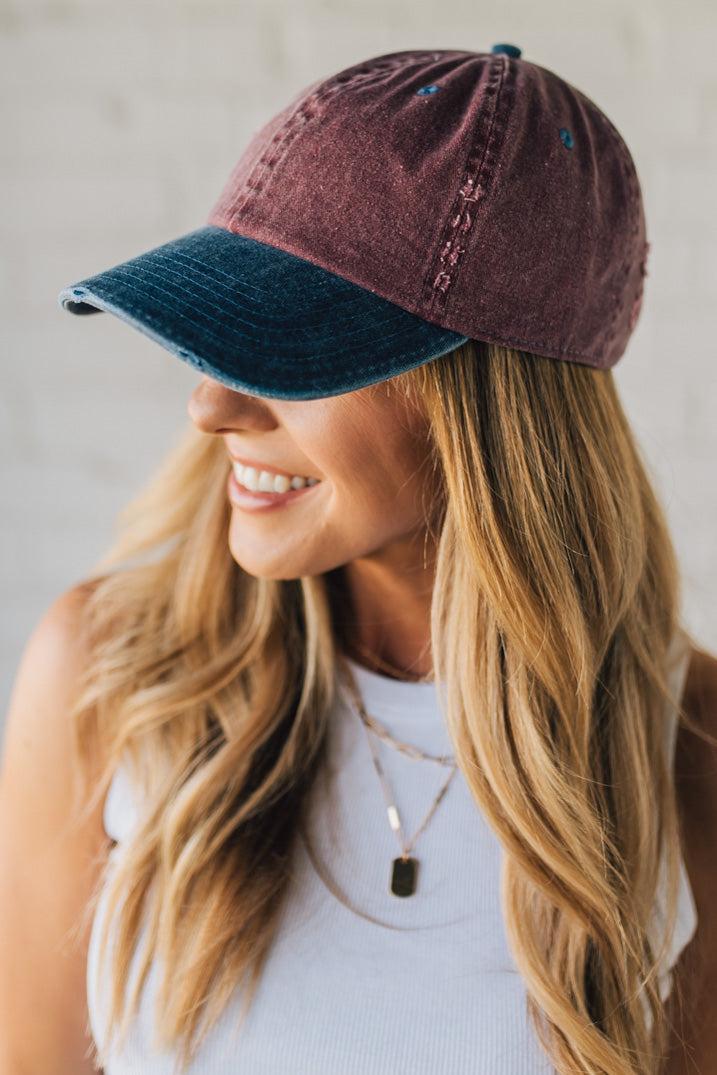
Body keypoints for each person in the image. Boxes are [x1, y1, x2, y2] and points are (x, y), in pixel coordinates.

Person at [1, 45, 716, 1075]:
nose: (213, 405)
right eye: (217, 333)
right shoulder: (109, 676)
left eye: (292, 349)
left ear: (489, 405)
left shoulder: (686, 748)